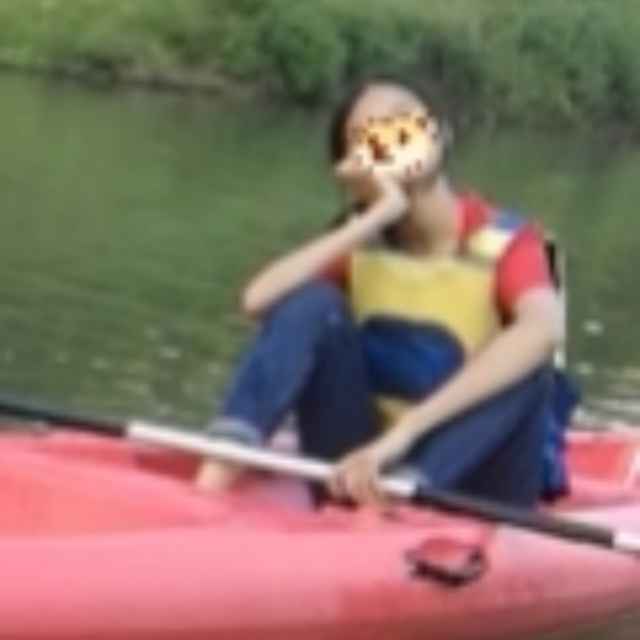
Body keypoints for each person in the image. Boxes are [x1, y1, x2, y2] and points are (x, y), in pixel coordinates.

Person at [195, 78, 571, 508]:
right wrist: (376, 214)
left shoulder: (510, 240)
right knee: (313, 303)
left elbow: (543, 330)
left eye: (404, 125)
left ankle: (404, 493)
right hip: (363, 468)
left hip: (470, 480)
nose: (396, 144)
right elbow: (257, 300)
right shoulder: (361, 241)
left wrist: (403, 435)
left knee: (528, 363)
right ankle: (210, 486)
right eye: (373, 141)